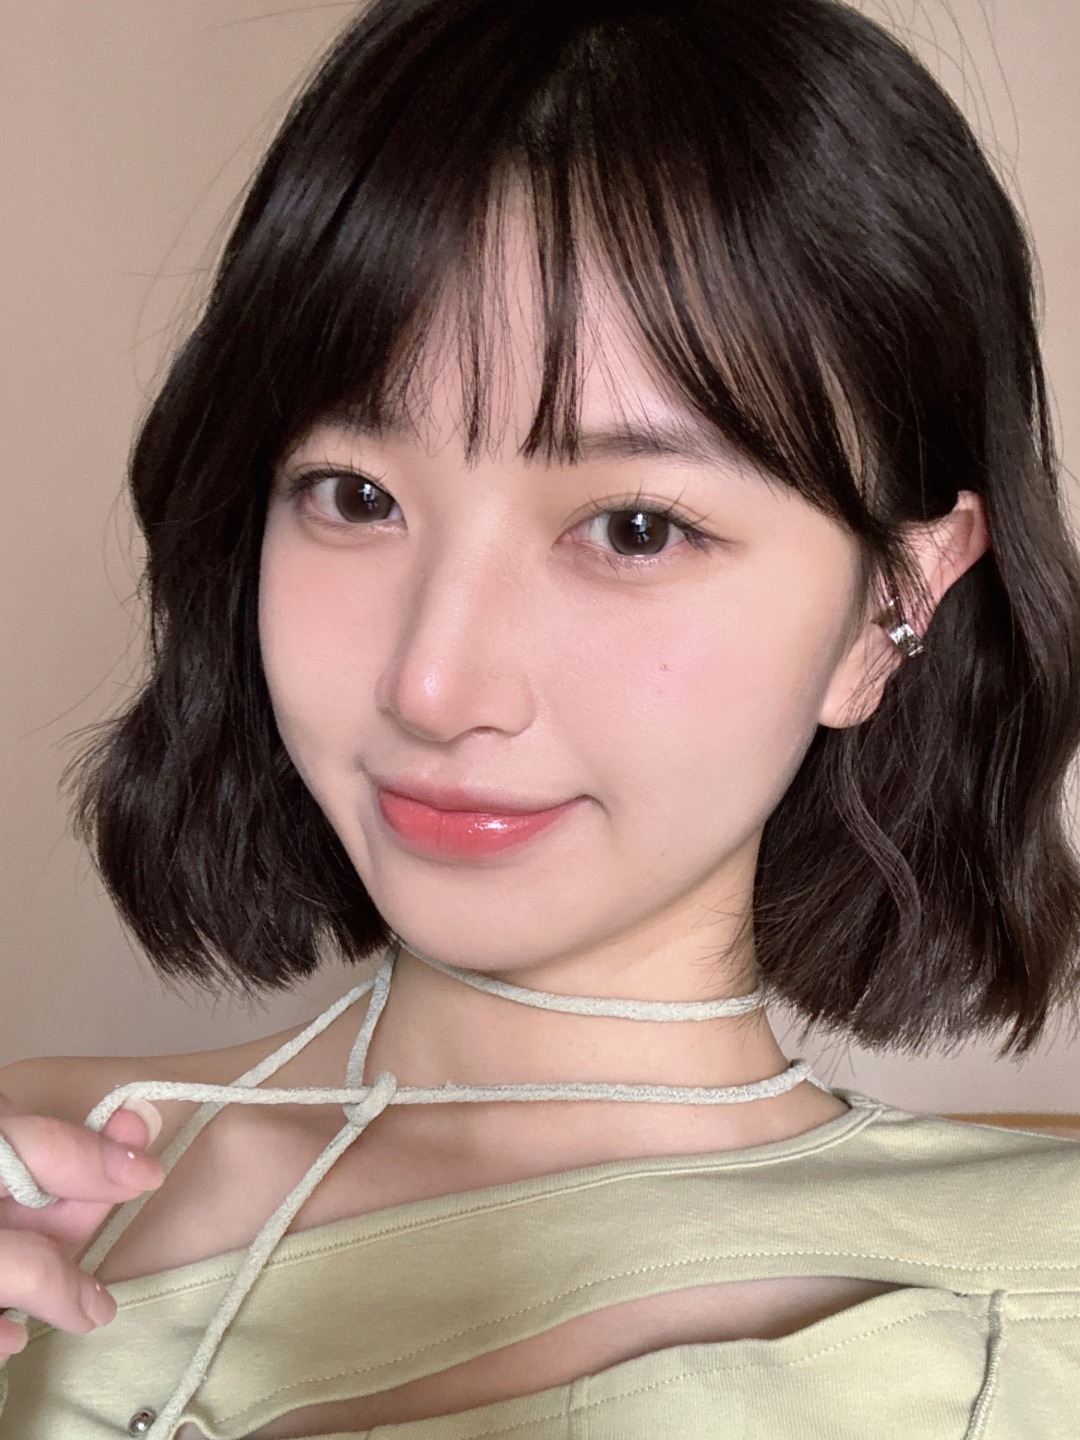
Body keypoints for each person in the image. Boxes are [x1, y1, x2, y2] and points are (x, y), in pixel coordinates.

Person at [1, 0, 1079, 1434]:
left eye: (635, 528)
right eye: (354, 496)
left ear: (896, 598)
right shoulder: (43, 1169)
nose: (433, 686)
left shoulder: (1047, 1296)